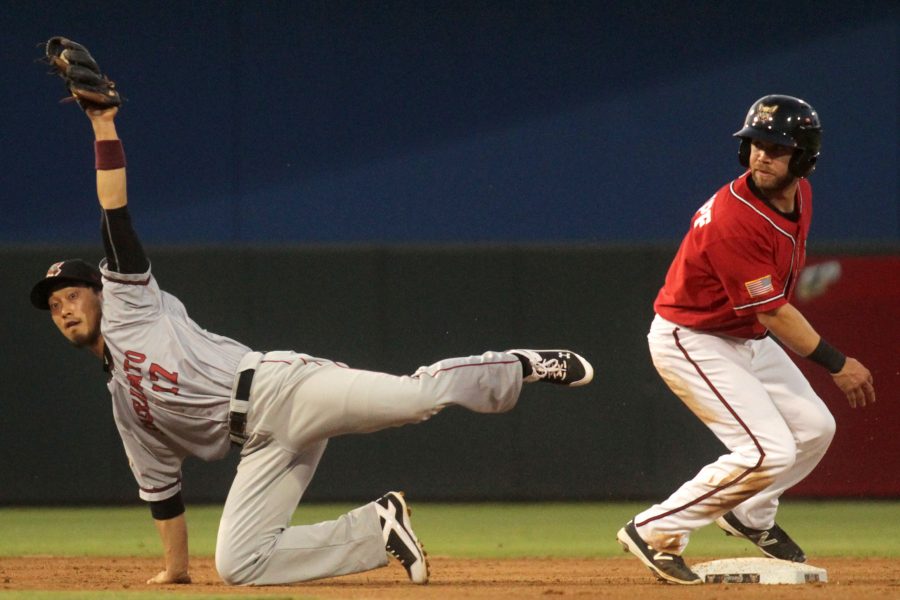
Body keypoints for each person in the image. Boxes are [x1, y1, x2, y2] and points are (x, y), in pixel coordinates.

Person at [31, 103, 594, 585]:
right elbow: (163, 494)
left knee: (414, 401)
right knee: (238, 564)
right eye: (54, 307)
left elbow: (115, 214)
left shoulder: (131, 304)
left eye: (72, 294)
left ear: (101, 292)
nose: (64, 308)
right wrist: (177, 572)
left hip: (284, 387)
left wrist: (103, 125)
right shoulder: (125, 408)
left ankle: (519, 366)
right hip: (259, 446)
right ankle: (377, 530)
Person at [615, 94, 876, 585]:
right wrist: (838, 362)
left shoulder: (799, 195)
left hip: (742, 335)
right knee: (766, 451)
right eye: (755, 143)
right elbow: (775, 311)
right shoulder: (734, 220)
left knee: (816, 428)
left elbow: (770, 308)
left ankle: (749, 514)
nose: (761, 154)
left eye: (776, 147)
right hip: (692, 337)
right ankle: (655, 531)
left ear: (803, 158)